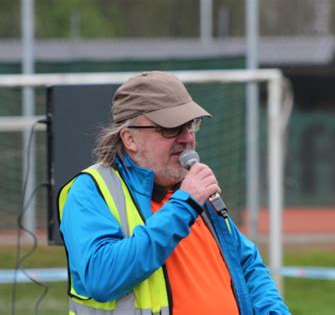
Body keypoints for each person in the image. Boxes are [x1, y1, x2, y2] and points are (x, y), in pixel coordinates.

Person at [58, 71, 290, 315]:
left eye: (190, 126)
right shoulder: (91, 190)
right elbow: (101, 278)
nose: (187, 138)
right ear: (129, 138)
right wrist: (185, 206)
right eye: (171, 128)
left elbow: (246, 262)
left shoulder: (192, 189)